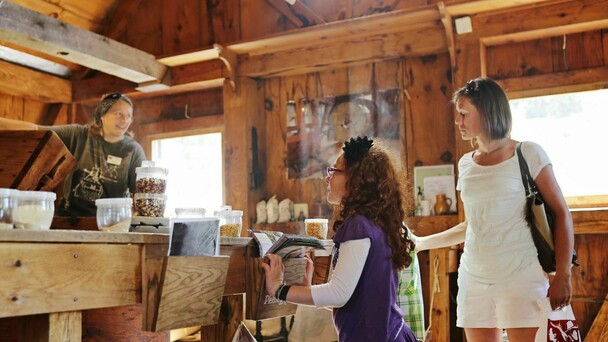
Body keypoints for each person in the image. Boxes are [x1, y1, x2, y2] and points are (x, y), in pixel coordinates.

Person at [414, 77, 574, 342]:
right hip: (473, 279)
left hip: (520, 277)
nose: (458, 121)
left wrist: (563, 275)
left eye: (464, 114)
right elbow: (472, 226)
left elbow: (562, 213)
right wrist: (421, 243)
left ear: (487, 111)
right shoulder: (466, 164)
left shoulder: (528, 153)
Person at [262, 136, 418, 341]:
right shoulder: (375, 222)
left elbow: (339, 293)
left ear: (355, 179)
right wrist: (307, 290)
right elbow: (348, 298)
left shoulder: (358, 225)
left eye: (333, 171)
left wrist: (278, 289)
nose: (327, 177)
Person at [0, 92, 146, 216]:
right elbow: (36, 129)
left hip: (110, 223)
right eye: (118, 114)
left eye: (129, 116)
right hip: (69, 218)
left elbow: (142, 197)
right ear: (102, 114)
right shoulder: (79, 135)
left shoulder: (133, 151)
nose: (124, 120)